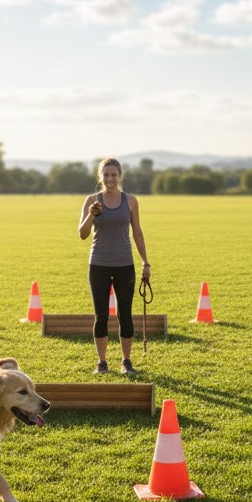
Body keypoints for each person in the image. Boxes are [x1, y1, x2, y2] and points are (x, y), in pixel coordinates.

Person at [77, 158, 150, 375]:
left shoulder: (131, 201)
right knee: (101, 315)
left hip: (124, 265)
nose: (110, 179)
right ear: (100, 177)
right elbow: (82, 234)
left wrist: (146, 262)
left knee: (124, 314)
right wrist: (92, 214)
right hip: (98, 264)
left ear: (120, 176)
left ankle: (126, 361)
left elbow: (137, 232)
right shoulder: (92, 200)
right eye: (106, 175)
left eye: (114, 175)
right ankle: (102, 362)